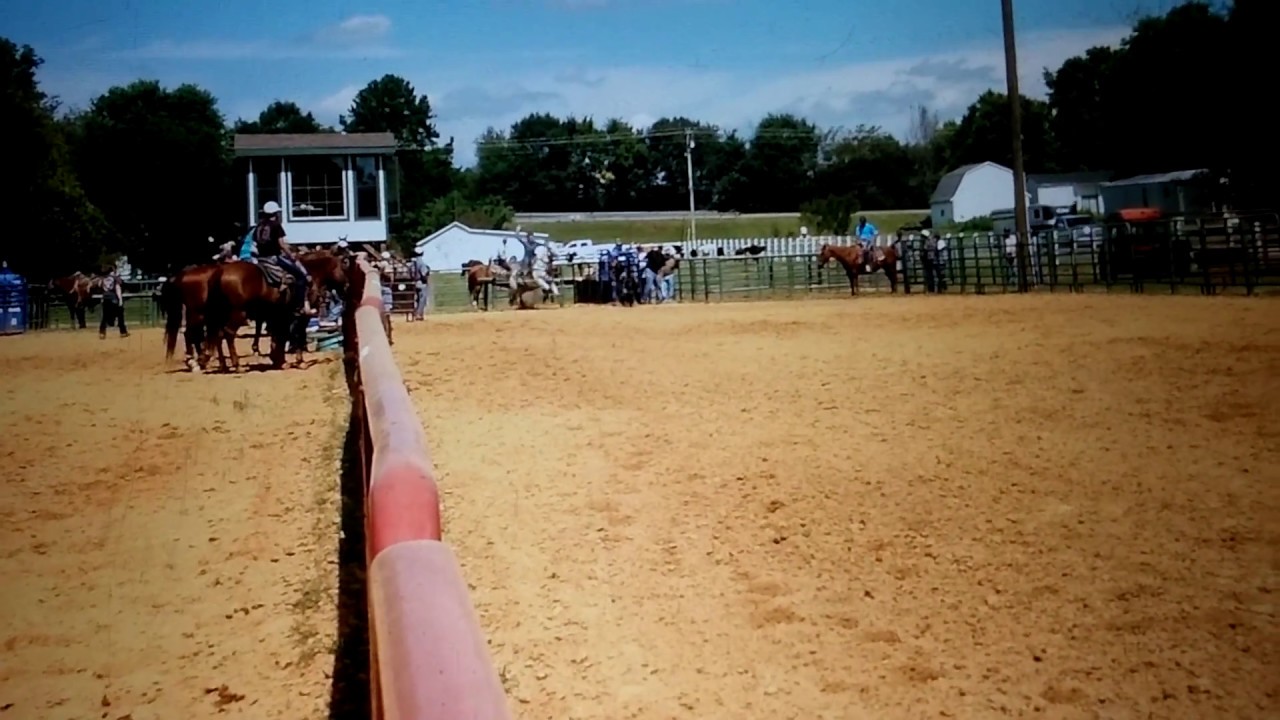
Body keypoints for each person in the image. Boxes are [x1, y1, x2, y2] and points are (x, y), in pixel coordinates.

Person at [252, 201, 311, 314]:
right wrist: (291, 255)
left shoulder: (259, 225)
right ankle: (299, 307)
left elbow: (255, 241)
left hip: (260, 259)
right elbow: (281, 244)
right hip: (273, 258)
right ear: (275, 213)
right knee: (300, 276)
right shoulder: (275, 225)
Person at [98, 264, 129, 339]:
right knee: (120, 314)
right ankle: (123, 332)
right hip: (113, 297)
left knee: (105, 316)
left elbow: (99, 285)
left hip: (105, 297)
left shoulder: (103, 278)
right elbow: (120, 283)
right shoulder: (114, 277)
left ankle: (102, 332)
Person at [410, 247, 431, 320]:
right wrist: (426, 280)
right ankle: (419, 314)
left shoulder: (412, 263)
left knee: (416, 299)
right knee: (422, 299)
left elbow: (411, 272)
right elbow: (424, 273)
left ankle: (415, 312)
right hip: (421, 283)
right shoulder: (421, 263)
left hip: (414, 282)